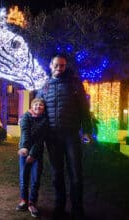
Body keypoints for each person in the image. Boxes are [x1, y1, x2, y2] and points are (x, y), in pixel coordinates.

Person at [36, 54, 92, 220]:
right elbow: (38, 110)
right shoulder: (44, 86)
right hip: (52, 138)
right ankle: (59, 207)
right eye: (57, 65)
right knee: (56, 174)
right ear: (50, 65)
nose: (59, 68)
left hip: (71, 136)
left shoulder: (74, 85)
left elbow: (84, 109)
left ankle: (77, 209)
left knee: (76, 174)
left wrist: (87, 131)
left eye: (62, 65)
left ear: (65, 66)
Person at [16, 98, 48, 218]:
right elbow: (25, 133)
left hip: (37, 153)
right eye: (36, 104)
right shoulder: (26, 117)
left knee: (35, 180)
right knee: (23, 178)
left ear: (43, 108)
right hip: (24, 152)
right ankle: (24, 200)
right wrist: (24, 148)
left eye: (40, 105)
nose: (38, 106)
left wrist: (33, 154)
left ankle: (32, 203)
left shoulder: (45, 120)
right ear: (32, 106)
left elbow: (41, 139)